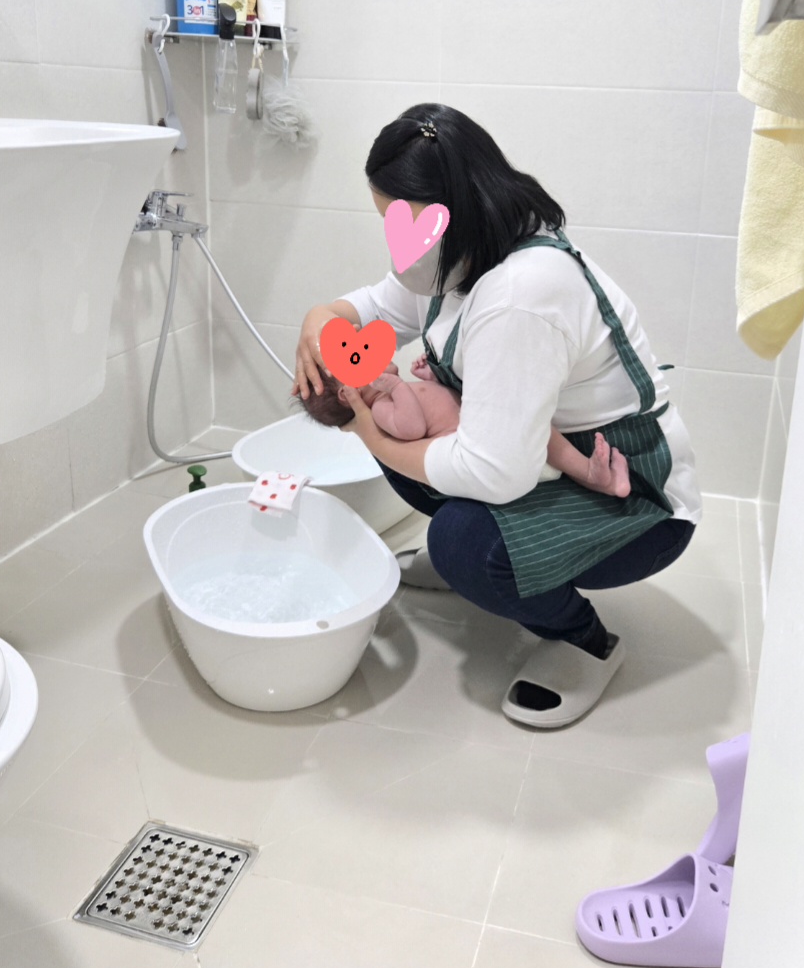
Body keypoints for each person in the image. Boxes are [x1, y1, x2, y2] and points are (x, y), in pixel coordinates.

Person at [292, 104, 701, 729]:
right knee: (405, 436)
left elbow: (494, 473)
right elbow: (376, 305)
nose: (396, 241)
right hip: (535, 455)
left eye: (400, 220)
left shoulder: (521, 295)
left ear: (447, 212)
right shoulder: (462, 253)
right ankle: (504, 558)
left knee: (462, 541)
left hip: (628, 489)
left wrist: (366, 431)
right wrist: (319, 320)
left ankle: (583, 640)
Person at [297, 359, 631, 498]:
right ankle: (589, 473)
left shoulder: (390, 394)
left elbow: (437, 401)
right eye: (355, 359)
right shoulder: (382, 408)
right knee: (538, 432)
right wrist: (398, 386)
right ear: (348, 394)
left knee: (538, 427)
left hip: (479, 423)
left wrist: (428, 378)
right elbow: (412, 428)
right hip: (471, 445)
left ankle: (588, 474)